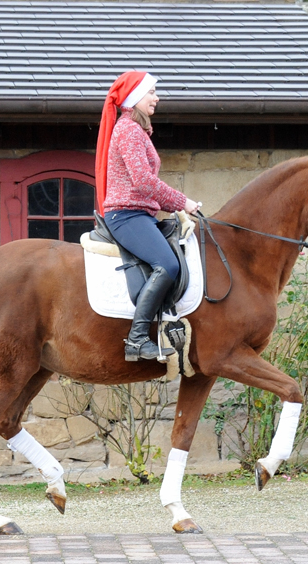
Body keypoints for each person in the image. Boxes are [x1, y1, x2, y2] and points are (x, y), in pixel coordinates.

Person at [95, 71, 201, 362]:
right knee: (167, 264)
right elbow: (142, 180)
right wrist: (182, 202)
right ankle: (138, 339)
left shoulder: (135, 129)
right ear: (135, 98)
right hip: (126, 215)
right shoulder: (128, 129)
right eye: (152, 91)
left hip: (140, 214)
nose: (157, 97)